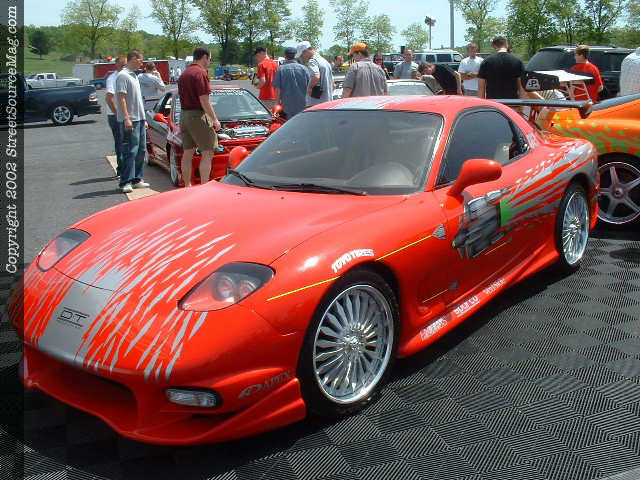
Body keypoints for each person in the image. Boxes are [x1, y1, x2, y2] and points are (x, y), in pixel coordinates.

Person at [177, 46, 221, 188]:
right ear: (205, 57)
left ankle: (187, 186)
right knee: (208, 152)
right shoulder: (200, 73)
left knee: (187, 153)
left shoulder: (184, 74)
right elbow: (204, 100)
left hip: (184, 115)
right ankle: (204, 187)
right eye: (210, 59)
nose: (209, 62)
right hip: (197, 115)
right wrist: (214, 119)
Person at [115, 50, 150, 193]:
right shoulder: (123, 76)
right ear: (133, 59)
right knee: (130, 150)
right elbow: (121, 98)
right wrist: (126, 118)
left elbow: (138, 99)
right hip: (131, 120)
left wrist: (144, 119)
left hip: (139, 119)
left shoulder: (134, 75)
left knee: (141, 150)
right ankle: (125, 182)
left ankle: (137, 179)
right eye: (140, 60)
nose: (142, 63)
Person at [272, 46, 311, 118]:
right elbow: (310, 86)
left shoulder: (281, 69)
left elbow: (278, 89)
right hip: (303, 104)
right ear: (295, 56)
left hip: (287, 106)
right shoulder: (304, 69)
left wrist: (277, 104)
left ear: (285, 56)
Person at [105, 55, 126, 179]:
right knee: (120, 142)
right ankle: (121, 170)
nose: (124, 67)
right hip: (115, 116)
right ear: (116, 65)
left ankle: (127, 170)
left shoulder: (126, 76)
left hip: (124, 115)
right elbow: (109, 98)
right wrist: (118, 114)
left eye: (125, 65)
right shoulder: (112, 78)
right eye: (122, 65)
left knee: (127, 142)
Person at [296, 40, 334, 106]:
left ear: (306, 51)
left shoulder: (312, 61)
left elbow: (316, 76)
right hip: (328, 101)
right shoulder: (324, 61)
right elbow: (333, 84)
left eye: (301, 55)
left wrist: (309, 88)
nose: (302, 58)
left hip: (316, 103)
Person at [254, 46, 279, 111]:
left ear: (262, 53)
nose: (257, 58)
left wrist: (257, 86)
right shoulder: (276, 64)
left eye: (257, 55)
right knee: (275, 114)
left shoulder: (261, 64)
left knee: (266, 115)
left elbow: (262, 81)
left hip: (266, 96)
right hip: (276, 95)